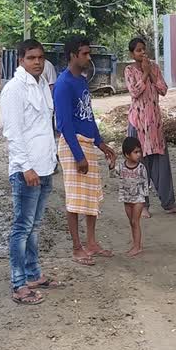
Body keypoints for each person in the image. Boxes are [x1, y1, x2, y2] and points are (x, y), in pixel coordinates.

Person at [0, 39, 63, 306]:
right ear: (20, 60)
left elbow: (45, 126)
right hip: (27, 170)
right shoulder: (14, 90)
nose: (37, 62)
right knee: (22, 227)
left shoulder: (41, 86)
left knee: (34, 226)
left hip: (45, 165)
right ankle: (18, 284)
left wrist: (51, 159)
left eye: (40, 57)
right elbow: (13, 133)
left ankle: (33, 274)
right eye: (31, 58)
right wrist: (26, 167)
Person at [54, 36, 117, 265]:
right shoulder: (63, 84)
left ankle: (91, 242)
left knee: (90, 197)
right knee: (75, 199)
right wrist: (78, 156)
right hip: (73, 146)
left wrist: (101, 144)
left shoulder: (80, 81)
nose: (88, 58)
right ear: (72, 55)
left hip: (87, 144)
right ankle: (76, 247)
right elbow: (64, 124)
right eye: (85, 54)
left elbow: (88, 116)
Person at [124, 38, 176, 218]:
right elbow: (135, 92)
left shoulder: (155, 68)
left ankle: (169, 202)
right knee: (140, 163)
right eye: (138, 50)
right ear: (132, 54)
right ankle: (143, 205)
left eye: (144, 50)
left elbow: (163, 89)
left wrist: (150, 72)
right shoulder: (129, 70)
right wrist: (143, 74)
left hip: (155, 124)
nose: (142, 53)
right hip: (138, 124)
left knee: (162, 164)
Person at [115, 137, 149, 257]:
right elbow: (112, 174)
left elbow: (145, 182)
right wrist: (110, 164)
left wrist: (144, 200)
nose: (139, 154)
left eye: (139, 151)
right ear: (127, 154)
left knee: (135, 221)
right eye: (135, 152)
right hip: (126, 198)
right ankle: (136, 244)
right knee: (131, 222)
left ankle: (137, 247)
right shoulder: (121, 167)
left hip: (138, 198)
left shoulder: (141, 168)